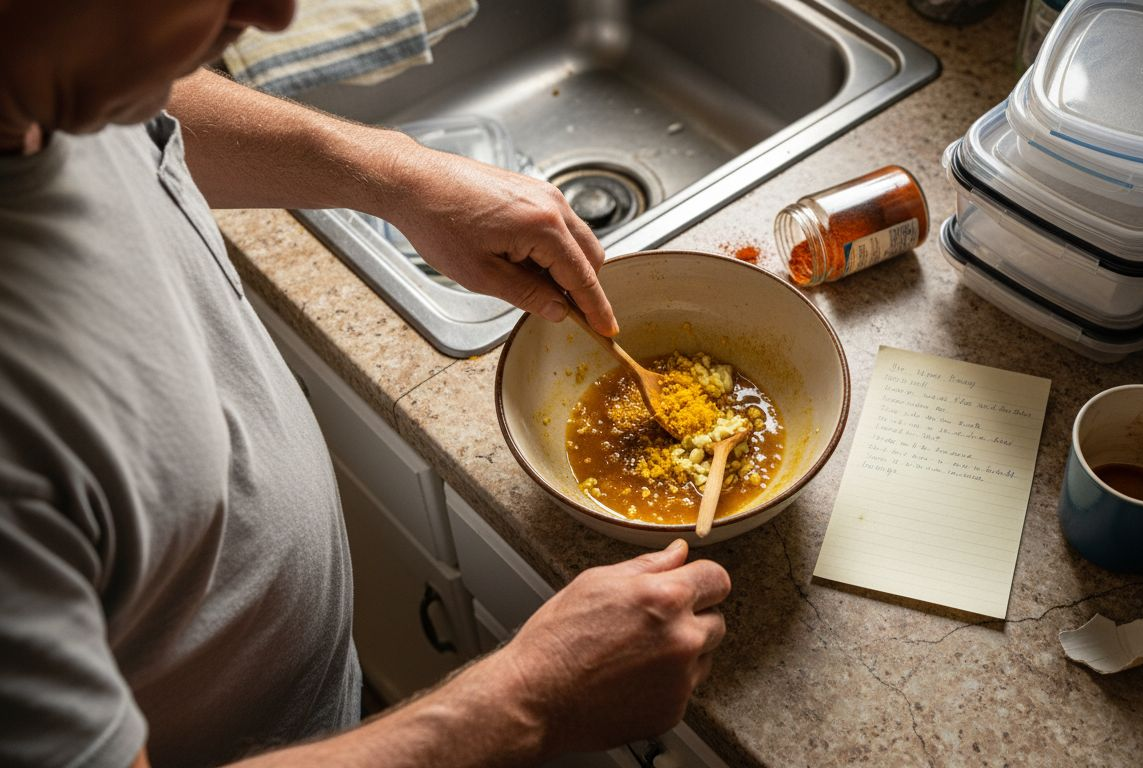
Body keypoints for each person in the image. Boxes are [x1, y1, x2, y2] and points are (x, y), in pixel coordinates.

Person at [0, 2, 731, 767]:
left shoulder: (55, 81)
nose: (276, 13)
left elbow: (132, 85)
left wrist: (391, 172)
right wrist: (530, 701)